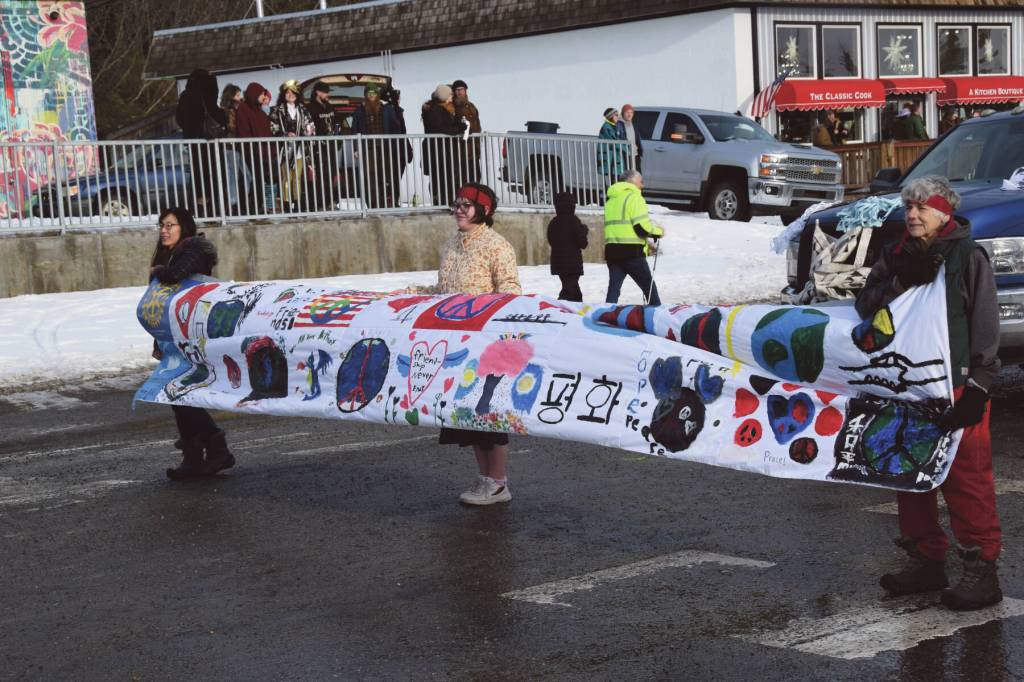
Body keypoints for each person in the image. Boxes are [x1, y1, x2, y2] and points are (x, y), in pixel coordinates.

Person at [855, 175, 1002, 611]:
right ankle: (926, 559)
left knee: (966, 478)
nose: (912, 214)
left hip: (955, 384)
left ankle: (981, 569)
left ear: (944, 212)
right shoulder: (896, 253)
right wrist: (902, 283)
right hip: (905, 383)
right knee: (909, 472)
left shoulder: (967, 256)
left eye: (921, 207)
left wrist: (980, 384)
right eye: (908, 207)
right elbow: (867, 305)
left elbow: (985, 320)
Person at [408, 183, 521, 505]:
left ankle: (499, 482)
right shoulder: (451, 244)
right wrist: (412, 293)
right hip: (454, 341)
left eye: (467, 205)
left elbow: (510, 291)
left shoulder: (496, 246)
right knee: (466, 414)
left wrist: (490, 319)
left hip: (484, 342)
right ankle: (485, 479)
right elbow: (445, 289)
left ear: (484, 211)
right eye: (456, 203)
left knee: (488, 412)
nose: (459, 209)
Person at [149, 206, 236, 480]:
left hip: (194, 335)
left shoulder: (194, 251)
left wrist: (160, 270)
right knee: (179, 395)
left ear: (183, 227)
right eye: (162, 225)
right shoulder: (171, 254)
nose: (164, 230)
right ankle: (196, 454)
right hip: (176, 335)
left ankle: (212, 444)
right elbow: (164, 301)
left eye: (170, 225)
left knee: (178, 391)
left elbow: (176, 276)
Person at [604, 170, 664, 306]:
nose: (642, 186)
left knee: (613, 290)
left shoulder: (611, 200)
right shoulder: (634, 198)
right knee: (648, 287)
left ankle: (605, 315)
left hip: (612, 251)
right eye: (641, 182)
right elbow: (641, 228)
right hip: (632, 252)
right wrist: (657, 232)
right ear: (632, 182)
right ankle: (658, 315)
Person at [175, 68, 226, 218]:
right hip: (211, 142)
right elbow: (217, 114)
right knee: (213, 175)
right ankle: (215, 210)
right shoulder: (209, 93)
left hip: (194, 141)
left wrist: (189, 130)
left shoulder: (187, 96)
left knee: (199, 177)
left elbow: (180, 118)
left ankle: (201, 210)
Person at [352, 84, 403, 208]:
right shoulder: (359, 111)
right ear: (365, 96)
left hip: (385, 148)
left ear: (377, 95)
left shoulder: (387, 109)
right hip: (368, 148)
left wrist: (396, 144)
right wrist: (356, 149)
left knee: (387, 175)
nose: (371, 96)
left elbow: (396, 127)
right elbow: (355, 130)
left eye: (373, 94)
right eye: (368, 94)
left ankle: (389, 201)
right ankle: (373, 204)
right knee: (370, 176)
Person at [269, 80, 316, 212]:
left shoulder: (303, 109)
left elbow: (311, 126)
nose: (290, 95)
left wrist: (308, 132)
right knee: (286, 178)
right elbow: (273, 129)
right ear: (283, 95)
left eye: (293, 92)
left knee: (297, 178)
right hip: (285, 150)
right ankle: (287, 205)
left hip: (300, 150)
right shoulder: (277, 111)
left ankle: (297, 204)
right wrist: (284, 134)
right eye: (287, 93)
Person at [421, 84, 465, 207]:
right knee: (442, 176)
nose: (452, 96)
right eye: (450, 94)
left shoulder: (444, 109)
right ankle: (443, 201)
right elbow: (440, 128)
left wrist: (459, 123)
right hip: (439, 150)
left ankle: (446, 200)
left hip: (443, 149)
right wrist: (458, 128)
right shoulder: (436, 110)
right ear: (444, 96)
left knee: (445, 176)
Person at [235, 82, 274, 214]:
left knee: (261, 178)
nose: (264, 97)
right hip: (250, 151)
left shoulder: (259, 110)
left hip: (263, 151)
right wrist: (252, 147)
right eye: (261, 94)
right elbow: (244, 131)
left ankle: (259, 205)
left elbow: (267, 128)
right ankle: (253, 207)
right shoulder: (243, 109)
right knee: (254, 178)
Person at [547, 191, 588, 302]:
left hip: (558, 262)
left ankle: (577, 310)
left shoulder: (553, 222)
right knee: (569, 290)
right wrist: (584, 230)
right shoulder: (574, 221)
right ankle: (559, 308)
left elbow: (551, 240)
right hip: (573, 263)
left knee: (573, 290)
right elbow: (583, 243)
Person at [306, 81, 340, 209]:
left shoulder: (329, 106)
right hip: (318, 148)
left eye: (328, 92)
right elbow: (309, 128)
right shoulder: (310, 108)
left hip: (331, 146)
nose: (328, 94)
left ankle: (332, 201)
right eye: (325, 92)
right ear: (317, 92)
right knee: (321, 176)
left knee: (331, 174)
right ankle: (321, 204)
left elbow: (337, 122)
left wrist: (337, 135)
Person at [452, 79, 482, 184]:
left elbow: (477, 125)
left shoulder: (472, 107)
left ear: (465, 91)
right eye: (457, 90)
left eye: (461, 89)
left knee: (476, 177)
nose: (459, 92)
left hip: (473, 150)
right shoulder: (452, 107)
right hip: (460, 151)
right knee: (462, 179)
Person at [598, 108, 625, 180]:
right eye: (616, 115)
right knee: (613, 177)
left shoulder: (617, 125)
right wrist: (625, 148)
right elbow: (613, 141)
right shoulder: (606, 127)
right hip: (610, 156)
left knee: (618, 176)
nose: (618, 117)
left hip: (617, 155)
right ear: (610, 117)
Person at [616, 104, 644, 173]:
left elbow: (637, 139)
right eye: (627, 112)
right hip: (626, 155)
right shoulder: (619, 125)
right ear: (622, 113)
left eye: (631, 112)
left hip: (635, 154)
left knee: (637, 175)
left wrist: (640, 151)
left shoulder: (634, 124)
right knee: (628, 176)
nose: (629, 115)